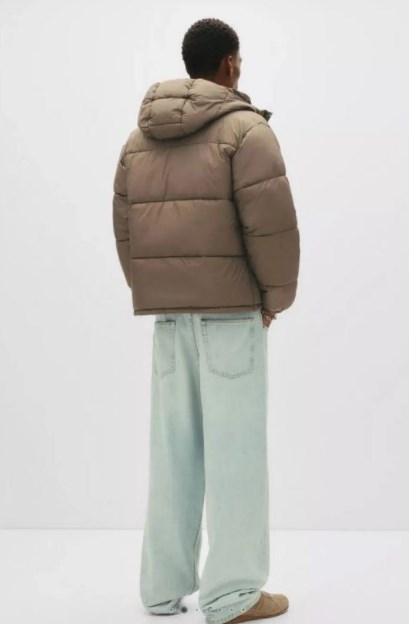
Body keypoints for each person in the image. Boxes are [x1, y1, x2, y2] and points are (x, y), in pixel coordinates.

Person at [112, 16, 300, 624]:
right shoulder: (247, 131)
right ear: (230, 64)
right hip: (231, 318)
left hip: (169, 320)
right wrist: (274, 300)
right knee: (235, 452)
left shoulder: (138, 141)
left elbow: (126, 231)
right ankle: (233, 594)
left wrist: (159, 290)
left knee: (173, 451)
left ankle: (161, 588)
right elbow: (273, 228)